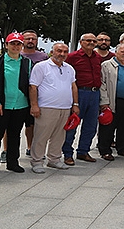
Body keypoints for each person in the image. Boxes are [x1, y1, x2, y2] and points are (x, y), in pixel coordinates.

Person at [0, 32, 31, 176]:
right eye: (13, 44)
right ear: (6, 45)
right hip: (1, 106)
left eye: (18, 44)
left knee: (14, 135)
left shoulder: (27, 62)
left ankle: (13, 162)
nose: (16, 46)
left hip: (20, 106)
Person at [28, 43, 79, 173]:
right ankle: (37, 161)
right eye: (59, 51)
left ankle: (54, 159)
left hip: (65, 108)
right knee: (41, 136)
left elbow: (73, 87)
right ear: (52, 52)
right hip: (46, 107)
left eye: (65, 52)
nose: (62, 54)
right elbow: (33, 86)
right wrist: (34, 105)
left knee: (59, 136)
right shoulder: (41, 67)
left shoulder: (69, 68)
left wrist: (75, 104)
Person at [62, 33, 102, 166]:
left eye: (93, 41)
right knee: (72, 125)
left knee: (91, 126)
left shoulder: (97, 57)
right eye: (88, 40)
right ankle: (67, 153)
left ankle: (83, 151)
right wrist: (74, 101)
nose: (91, 43)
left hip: (95, 93)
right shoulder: (72, 57)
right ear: (81, 42)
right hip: (79, 92)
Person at [19, 29, 49, 158]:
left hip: (37, 95)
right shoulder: (16, 54)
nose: (31, 41)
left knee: (32, 124)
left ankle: (31, 148)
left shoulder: (43, 57)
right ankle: (6, 150)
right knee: (10, 125)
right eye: (28, 38)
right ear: (22, 40)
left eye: (33, 39)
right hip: (18, 94)